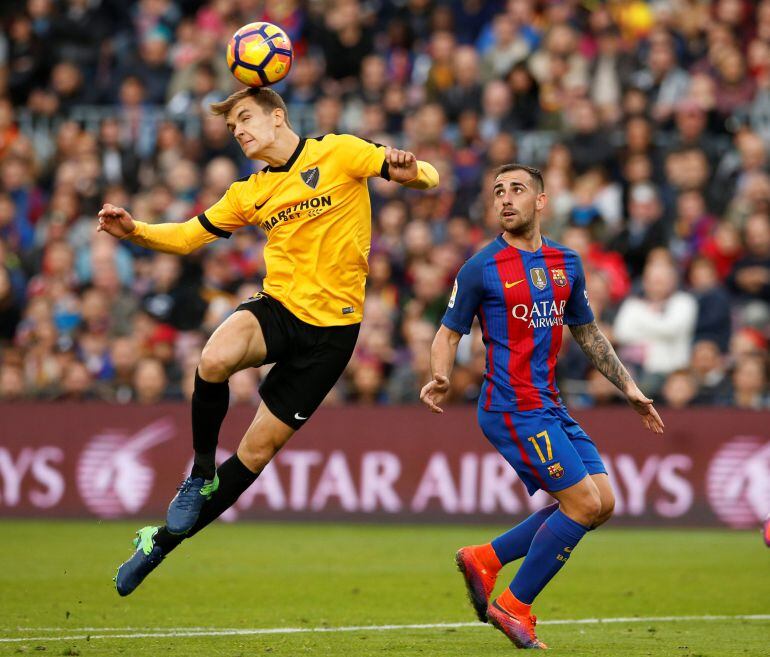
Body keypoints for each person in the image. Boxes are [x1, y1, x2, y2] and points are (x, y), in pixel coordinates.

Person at [99, 86, 439, 596]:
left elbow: (427, 178)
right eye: (232, 125)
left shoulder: (340, 152)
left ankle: (161, 543)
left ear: (277, 117)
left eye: (244, 118)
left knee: (255, 454)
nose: (237, 130)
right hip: (278, 308)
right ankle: (199, 473)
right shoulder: (249, 192)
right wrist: (135, 232)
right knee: (213, 357)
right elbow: (191, 236)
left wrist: (411, 169)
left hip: (332, 336)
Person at [420, 163, 663, 649]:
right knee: (582, 503)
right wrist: (440, 374)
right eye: (498, 192)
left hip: (548, 403)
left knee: (603, 504)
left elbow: (587, 332)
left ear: (541, 201)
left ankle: (486, 558)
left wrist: (629, 388)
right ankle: (515, 604)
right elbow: (449, 332)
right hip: (510, 406)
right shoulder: (480, 267)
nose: (505, 199)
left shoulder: (567, 263)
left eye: (517, 190)